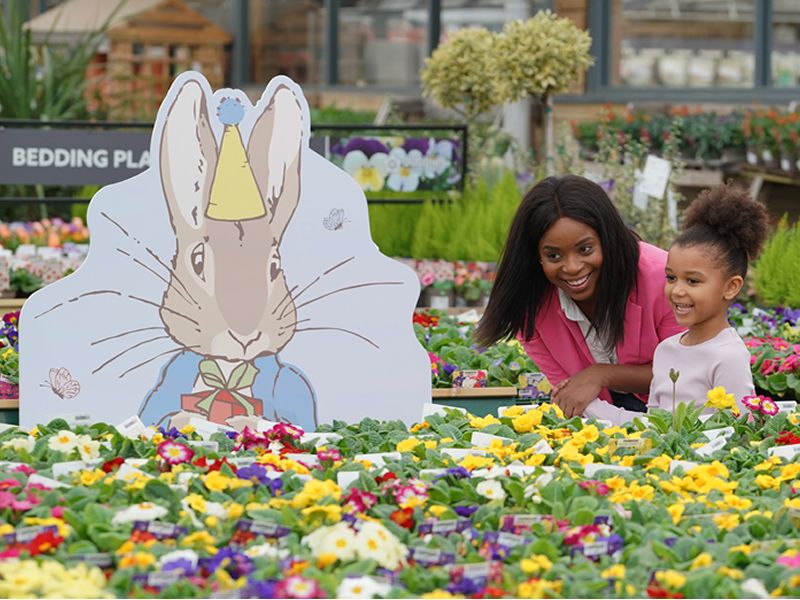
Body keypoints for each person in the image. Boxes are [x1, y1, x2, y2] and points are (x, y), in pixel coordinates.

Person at [476, 174, 683, 423]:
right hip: (600, 417)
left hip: (679, 413)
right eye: (554, 256)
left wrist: (600, 375)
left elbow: (681, 372)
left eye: (585, 249)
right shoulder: (529, 309)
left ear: (607, 239)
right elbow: (573, 395)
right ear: (536, 257)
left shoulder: (664, 278)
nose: (572, 267)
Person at [647, 183, 768, 415]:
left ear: (731, 287)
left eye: (692, 281)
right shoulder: (665, 350)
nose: (677, 291)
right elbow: (652, 421)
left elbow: (739, 430)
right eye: (671, 278)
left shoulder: (728, 356)